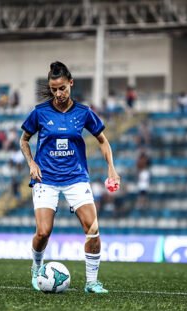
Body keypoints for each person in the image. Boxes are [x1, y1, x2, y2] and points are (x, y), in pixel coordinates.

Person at [20, 61, 120, 294]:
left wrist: (112, 169)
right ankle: (36, 268)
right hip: (46, 178)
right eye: (54, 89)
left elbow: (103, 141)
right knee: (43, 232)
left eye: (62, 88)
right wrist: (31, 163)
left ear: (71, 83)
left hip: (76, 177)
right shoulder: (40, 112)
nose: (58, 93)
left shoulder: (84, 113)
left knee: (93, 228)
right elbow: (23, 140)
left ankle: (92, 282)